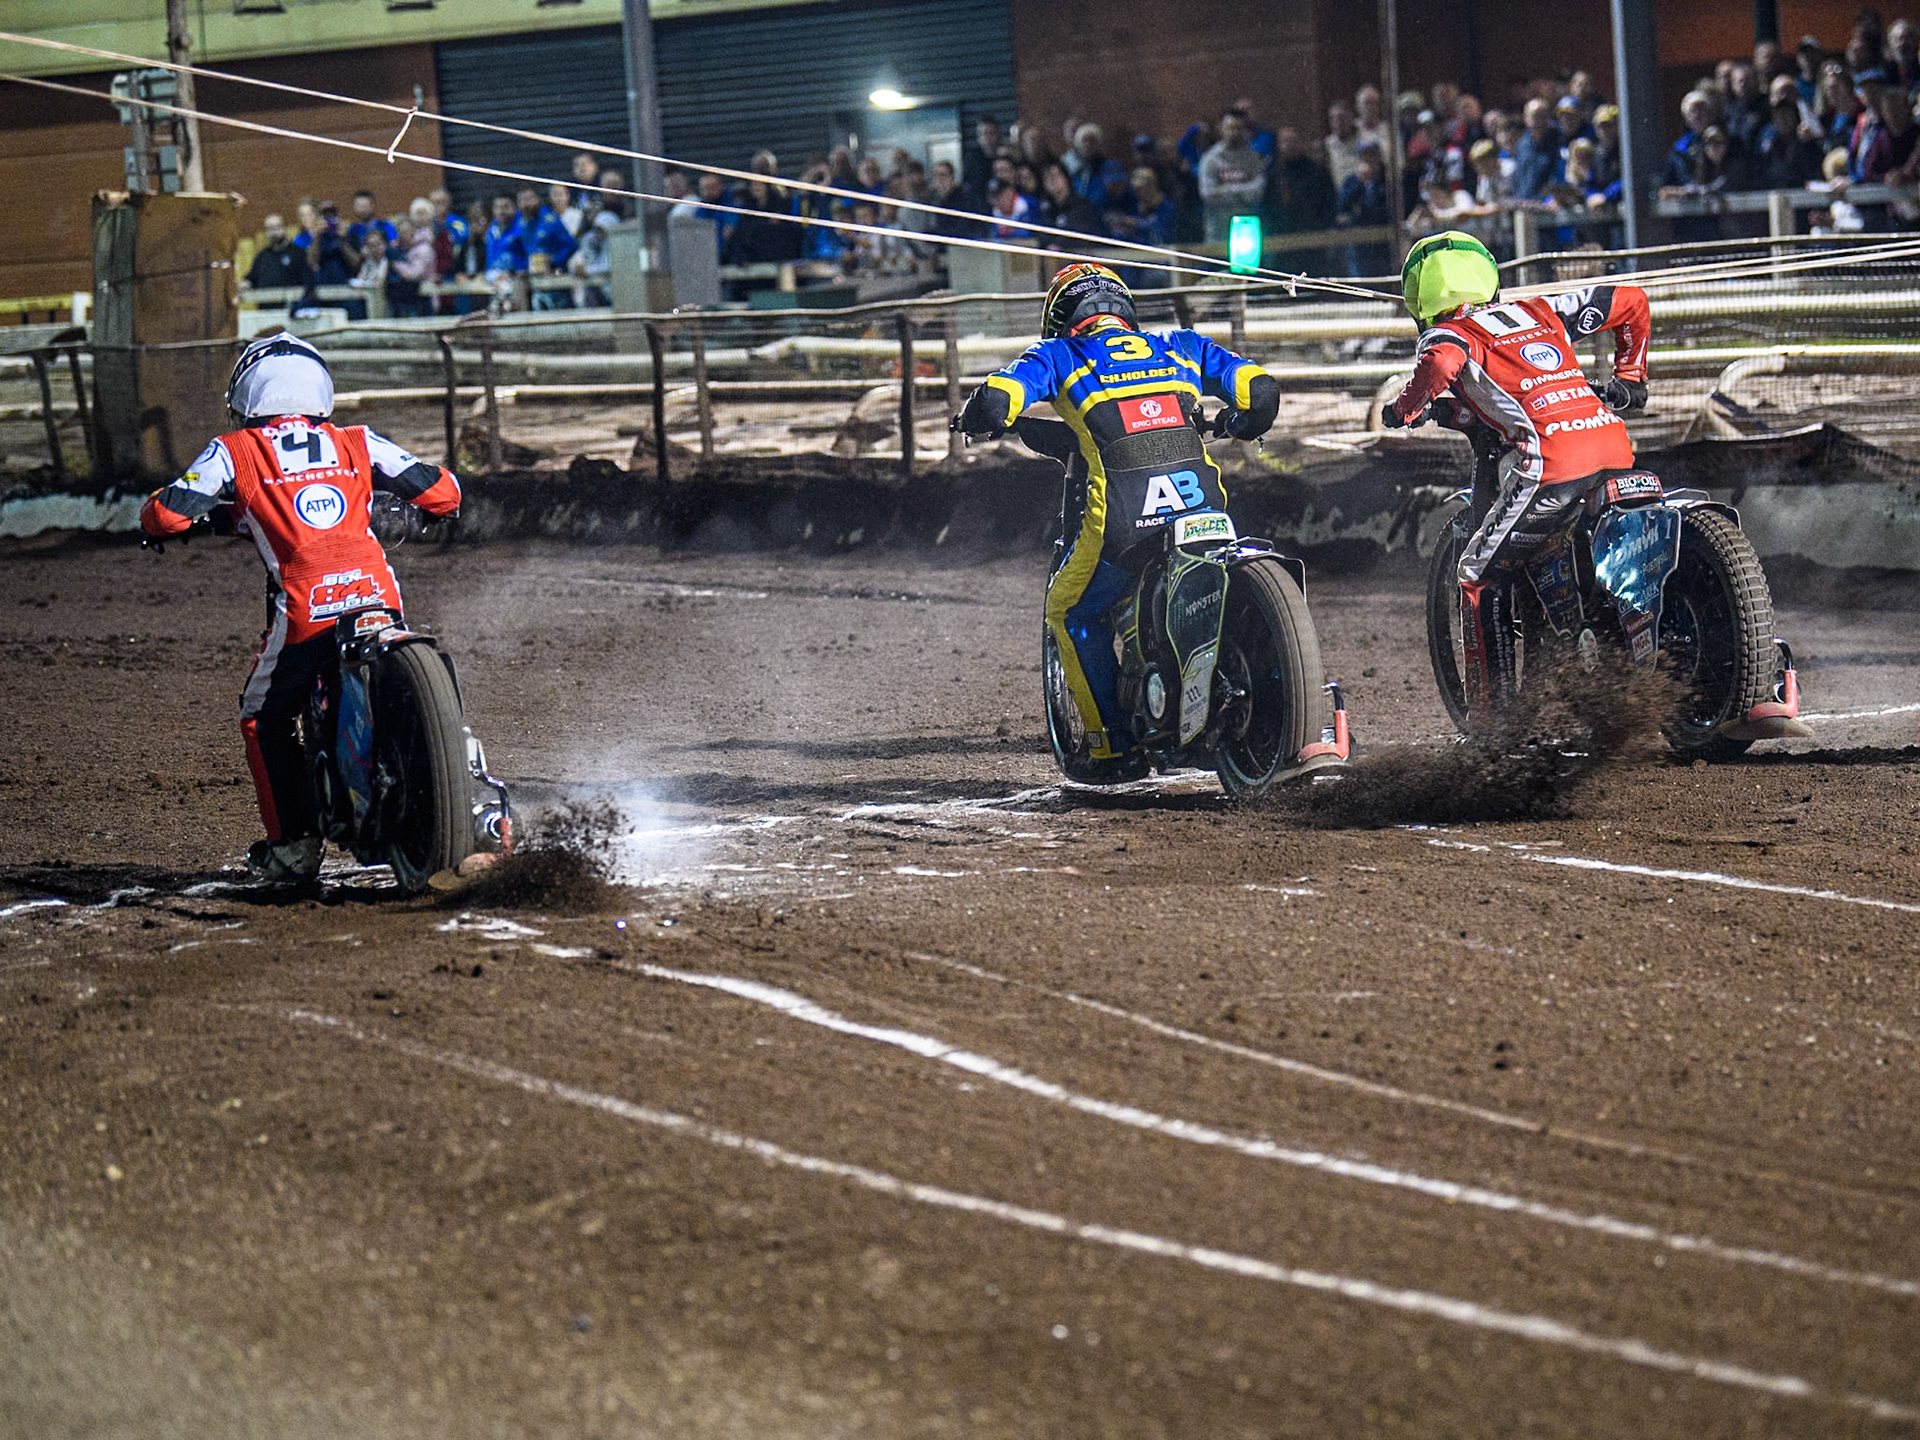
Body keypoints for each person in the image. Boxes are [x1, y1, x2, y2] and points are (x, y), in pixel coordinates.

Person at [138, 334, 462, 884]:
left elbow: (168, 516)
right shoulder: (358, 440)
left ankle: (293, 846)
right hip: (378, 595)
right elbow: (444, 493)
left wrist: (157, 518)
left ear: (247, 397)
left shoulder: (233, 451)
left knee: (261, 715)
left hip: (307, 606)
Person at [952, 263, 1279, 779]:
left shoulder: (1058, 355)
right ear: (1126, 311)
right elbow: (1262, 392)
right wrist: (1237, 423)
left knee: (1069, 609)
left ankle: (1112, 748)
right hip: (1206, 509)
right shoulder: (1182, 344)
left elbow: (996, 403)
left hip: (1126, 520)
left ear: (1061, 318)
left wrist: (972, 417)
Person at [1378, 232, 1650, 713]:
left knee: (1476, 572)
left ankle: (1492, 723)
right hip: (1613, 444)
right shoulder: (1541, 310)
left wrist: (1404, 408)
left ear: (1418, 300)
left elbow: (1441, 363)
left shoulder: (1448, 334)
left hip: (1550, 465)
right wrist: (1631, 378)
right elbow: (1631, 301)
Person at [1198, 109, 1268, 241]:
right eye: (1231, 128)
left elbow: (1257, 192)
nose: (1235, 132)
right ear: (1222, 129)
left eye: (1239, 128)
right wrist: (1243, 191)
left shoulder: (1253, 158)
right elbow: (1208, 194)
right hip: (1217, 233)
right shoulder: (1210, 159)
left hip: (1247, 233)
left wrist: (1225, 190)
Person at [241, 213, 313, 305]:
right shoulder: (262, 257)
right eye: (270, 228)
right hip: (266, 313)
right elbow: (251, 278)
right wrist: (245, 284)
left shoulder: (298, 253)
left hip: (292, 312)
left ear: (284, 228)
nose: (274, 232)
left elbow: (308, 281)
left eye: (277, 227)